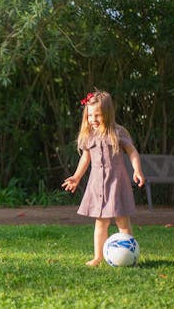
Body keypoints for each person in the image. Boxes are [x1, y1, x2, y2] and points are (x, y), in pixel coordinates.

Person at [61, 90, 145, 267]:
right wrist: (76, 177)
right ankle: (98, 257)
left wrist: (137, 171)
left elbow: (132, 151)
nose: (93, 119)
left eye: (97, 115)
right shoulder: (89, 135)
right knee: (101, 222)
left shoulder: (118, 132)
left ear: (107, 113)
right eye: (90, 115)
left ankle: (130, 255)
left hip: (116, 182)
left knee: (122, 220)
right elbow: (86, 158)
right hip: (98, 184)